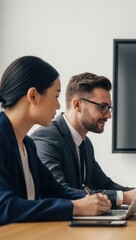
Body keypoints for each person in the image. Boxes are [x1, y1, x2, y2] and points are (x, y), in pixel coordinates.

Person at [0, 56, 111, 225]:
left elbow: (55, 190)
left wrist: (94, 199)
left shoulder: (27, 145)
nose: (59, 106)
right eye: (56, 96)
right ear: (33, 96)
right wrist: (75, 207)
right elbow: (4, 207)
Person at [31, 72, 136, 208]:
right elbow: (58, 192)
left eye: (109, 108)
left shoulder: (85, 143)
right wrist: (125, 197)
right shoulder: (46, 137)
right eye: (103, 107)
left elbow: (105, 184)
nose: (109, 115)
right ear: (77, 105)